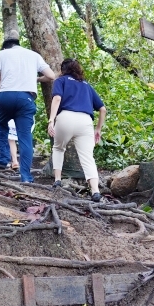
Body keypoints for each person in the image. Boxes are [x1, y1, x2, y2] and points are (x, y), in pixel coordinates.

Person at [0, 31, 55, 182]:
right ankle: (26, 177)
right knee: (25, 137)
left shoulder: (2, 54)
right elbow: (51, 76)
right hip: (26, 98)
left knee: (1, 126)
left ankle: (3, 159)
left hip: (6, 95)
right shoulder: (34, 55)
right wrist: (37, 79)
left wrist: (2, 94)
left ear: (7, 46)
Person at [46, 58, 107, 202]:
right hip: (85, 121)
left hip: (65, 117)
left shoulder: (60, 81)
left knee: (59, 148)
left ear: (63, 70)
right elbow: (102, 109)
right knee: (87, 157)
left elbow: (57, 99)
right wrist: (98, 129)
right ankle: (95, 191)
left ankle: (58, 180)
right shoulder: (86, 85)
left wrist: (51, 120)